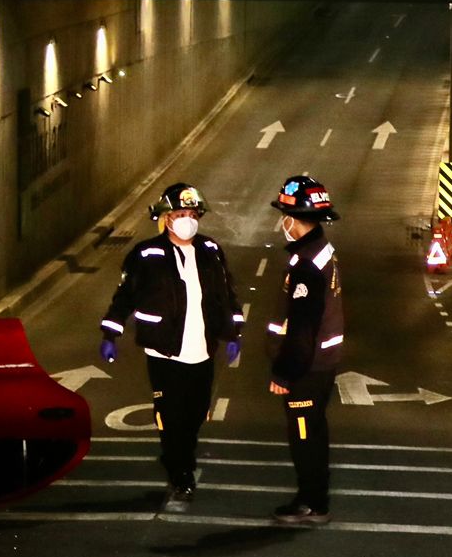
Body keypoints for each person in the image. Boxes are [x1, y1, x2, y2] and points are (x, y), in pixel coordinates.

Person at [99, 183, 244, 510]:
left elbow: (226, 294)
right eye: (180, 213)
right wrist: (110, 333)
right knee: (171, 416)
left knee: (195, 414)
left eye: (192, 213)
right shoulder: (146, 254)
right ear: (166, 218)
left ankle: (180, 456)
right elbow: (125, 297)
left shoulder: (211, 251)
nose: (187, 219)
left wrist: (234, 331)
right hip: (164, 352)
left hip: (202, 350)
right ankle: (181, 474)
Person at [265, 175, 345, 525]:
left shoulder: (306, 265)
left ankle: (311, 503)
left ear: (293, 220)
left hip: (307, 369)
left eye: (285, 216)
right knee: (315, 431)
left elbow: (302, 327)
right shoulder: (322, 250)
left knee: (304, 436)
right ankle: (315, 498)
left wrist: (285, 372)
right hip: (322, 363)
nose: (283, 222)